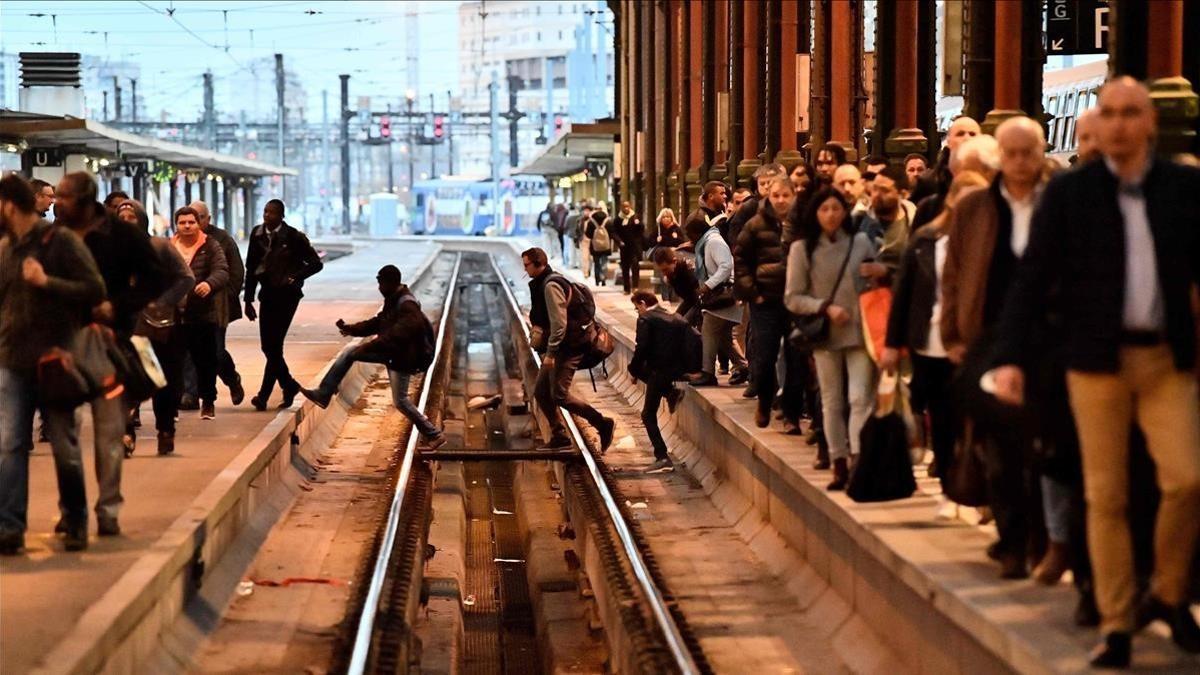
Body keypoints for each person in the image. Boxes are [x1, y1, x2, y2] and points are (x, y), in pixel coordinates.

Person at [992, 78, 1200, 668]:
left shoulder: (1183, 189)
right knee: (1104, 494)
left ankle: (1167, 592)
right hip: (1095, 362)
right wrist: (1009, 356)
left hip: (1164, 358)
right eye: (1107, 113)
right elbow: (1031, 280)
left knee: (1187, 479)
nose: (1117, 124)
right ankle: (1116, 623)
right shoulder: (1072, 195)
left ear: (1150, 124)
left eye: (1130, 113)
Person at [938, 116, 1047, 580]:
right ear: (1000, 157)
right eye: (1012, 154)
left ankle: (1044, 537)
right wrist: (953, 337)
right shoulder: (976, 208)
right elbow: (955, 275)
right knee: (1000, 445)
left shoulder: (1059, 201)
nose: (1021, 163)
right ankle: (1012, 539)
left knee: (1045, 446)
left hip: (1048, 340)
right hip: (989, 337)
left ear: (1041, 154)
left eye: (1029, 153)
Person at [0, 174, 106, 553]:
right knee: (10, 444)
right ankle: (9, 527)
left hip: (56, 358)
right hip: (12, 360)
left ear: (9, 205)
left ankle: (75, 519)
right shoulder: (5, 250)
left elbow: (94, 289)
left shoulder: (59, 241)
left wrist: (48, 283)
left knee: (64, 443)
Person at [55, 171, 165, 537]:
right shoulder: (54, 236)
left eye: (64, 197)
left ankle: (108, 509)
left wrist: (118, 308)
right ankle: (72, 511)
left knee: (109, 430)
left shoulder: (123, 236)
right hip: (61, 344)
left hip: (109, 342)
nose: (57, 203)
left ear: (86, 200)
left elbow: (156, 278)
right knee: (63, 432)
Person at [880, 171, 990, 516]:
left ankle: (981, 488)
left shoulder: (990, 241)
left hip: (974, 344)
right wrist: (892, 343)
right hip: (930, 342)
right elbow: (904, 293)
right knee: (943, 418)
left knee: (974, 417)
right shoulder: (926, 240)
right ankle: (948, 484)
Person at [784, 187, 877, 491]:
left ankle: (860, 461)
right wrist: (824, 307)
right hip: (825, 334)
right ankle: (838, 462)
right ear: (815, 213)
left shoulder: (861, 242)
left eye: (836, 208)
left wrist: (879, 271)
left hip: (860, 332)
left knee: (860, 398)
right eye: (824, 209)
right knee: (832, 401)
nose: (831, 215)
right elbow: (793, 298)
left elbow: (881, 275)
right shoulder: (803, 249)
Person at [301, 265, 447, 450]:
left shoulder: (406, 305)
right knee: (351, 353)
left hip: (404, 357)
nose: (379, 288)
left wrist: (368, 347)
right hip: (395, 352)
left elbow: (396, 335)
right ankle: (324, 392)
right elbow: (379, 322)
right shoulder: (394, 300)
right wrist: (352, 328)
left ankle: (434, 434)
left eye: (380, 283)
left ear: (389, 283)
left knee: (400, 400)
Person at [117, 200, 194, 456]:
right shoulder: (112, 251)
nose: (126, 222)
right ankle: (126, 430)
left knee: (162, 380)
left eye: (131, 218)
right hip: (127, 327)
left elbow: (186, 278)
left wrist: (161, 303)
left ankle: (165, 429)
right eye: (122, 218)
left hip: (159, 329)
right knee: (127, 378)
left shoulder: (159, 247)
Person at [521, 247, 615, 452]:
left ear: (539, 263)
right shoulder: (545, 281)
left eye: (527, 264)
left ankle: (601, 423)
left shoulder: (550, 286)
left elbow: (559, 324)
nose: (524, 268)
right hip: (562, 345)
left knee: (559, 395)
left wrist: (551, 354)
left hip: (570, 346)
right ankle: (559, 436)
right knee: (541, 392)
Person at [735, 174, 805, 431]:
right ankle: (765, 401)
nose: (781, 200)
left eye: (786, 195)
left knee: (796, 358)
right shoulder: (755, 225)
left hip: (796, 300)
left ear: (794, 196)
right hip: (766, 301)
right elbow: (741, 260)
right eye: (776, 195)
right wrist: (753, 292)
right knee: (765, 356)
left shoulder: (801, 225)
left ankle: (791, 415)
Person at [243, 199, 323, 410]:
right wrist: (248, 299)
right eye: (265, 211)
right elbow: (251, 267)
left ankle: (265, 395)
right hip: (267, 295)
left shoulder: (294, 236)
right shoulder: (257, 234)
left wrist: (296, 277)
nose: (266, 216)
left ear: (281, 215)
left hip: (288, 297)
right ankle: (287, 386)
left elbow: (316, 263)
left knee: (272, 346)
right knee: (269, 347)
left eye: (271, 212)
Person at [172, 207, 229, 421]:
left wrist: (209, 284)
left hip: (202, 314)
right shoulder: (170, 247)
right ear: (176, 225)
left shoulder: (210, 245)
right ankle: (174, 403)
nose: (187, 226)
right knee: (174, 361)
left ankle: (208, 402)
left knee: (206, 360)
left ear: (198, 224)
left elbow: (222, 270)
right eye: (182, 222)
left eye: (191, 222)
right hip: (175, 315)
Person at [190, 200, 245, 405]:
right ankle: (194, 395)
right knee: (192, 352)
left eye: (200, 217)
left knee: (216, 351)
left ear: (208, 219)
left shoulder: (222, 239)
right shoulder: (179, 242)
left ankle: (232, 379)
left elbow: (237, 271)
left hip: (216, 307)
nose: (194, 223)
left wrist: (227, 296)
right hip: (190, 307)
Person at [629, 290, 690, 473]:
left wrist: (634, 369)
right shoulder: (672, 315)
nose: (637, 311)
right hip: (677, 369)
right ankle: (670, 392)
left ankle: (662, 456)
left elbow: (642, 348)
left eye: (636, 307)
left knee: (647, 415)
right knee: (642, 374)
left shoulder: (646, 319)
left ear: (642, 303)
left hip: (659, 371)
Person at [685, 210, 748, 386]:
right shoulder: (706, 242)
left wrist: (708, 285)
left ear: (698, 232)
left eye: (691, 234)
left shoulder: (713, 242)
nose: (690, 237)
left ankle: (707, 372)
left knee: (709, 330)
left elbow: (726, 266)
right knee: (724, 336)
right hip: (719, 295)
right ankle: (742, 366)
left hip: (722, 295)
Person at [652, 246, 701, 324]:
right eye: (662, 270)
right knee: (674, 321)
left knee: (681, 324)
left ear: (674, 262)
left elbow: (696, 297)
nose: (664, 273)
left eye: (666, 269)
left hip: (699, 302)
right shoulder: (672, 274)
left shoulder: (688, 272)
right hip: (690, 300)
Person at [614, 200, 645, 293]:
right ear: (621, 208)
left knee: (635, 265)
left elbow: (641, 230)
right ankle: (626, 288)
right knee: (625, 267)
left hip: (634, 247)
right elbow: (614, 232)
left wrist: (638, 223)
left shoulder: (635, 217)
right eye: (624, 207)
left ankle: (635, 286)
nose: (626, 208)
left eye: (628, 206)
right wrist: (619, 241)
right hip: (624, 247)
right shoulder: (618, 219)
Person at [584, 204, 613, 286]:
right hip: (606, 246)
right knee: (604, 262)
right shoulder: (608, 221)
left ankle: (597, 280)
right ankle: (603, 279)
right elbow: (612, 232)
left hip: (595, 246)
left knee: (596, 263)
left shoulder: (591, 221)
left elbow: (588, 234)